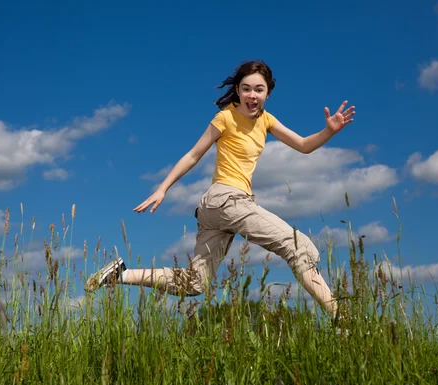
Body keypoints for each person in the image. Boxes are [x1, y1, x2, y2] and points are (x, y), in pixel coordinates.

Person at [84, 60, 355, 316]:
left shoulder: (267, 120)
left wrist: (329, 131)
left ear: (268, 93)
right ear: (237, 90)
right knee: (299, 246)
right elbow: (193, 154)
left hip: (217, 209)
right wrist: (162, 188)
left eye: (259, 89)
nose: (252, 95)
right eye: (246, 88)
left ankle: (120, 274)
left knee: (193, 284)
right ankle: (342, 320)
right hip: (227, 200)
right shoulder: (225, 118)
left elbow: (304, 145)